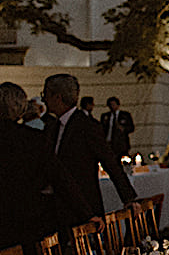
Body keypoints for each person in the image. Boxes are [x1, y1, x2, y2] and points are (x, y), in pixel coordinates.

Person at [0, 82, 84, 255]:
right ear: (21, 108)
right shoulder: (33, 139)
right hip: (23, 219)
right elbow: (59, 176)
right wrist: (86, 213)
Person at [43, 73, 136, 228]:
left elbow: (110, 161)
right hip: (54, 206)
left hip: (83, 205)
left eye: (45, 94)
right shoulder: (52, 126)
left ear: (57, 97)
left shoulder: (87, 126)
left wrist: (128, 198)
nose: (44, 100)